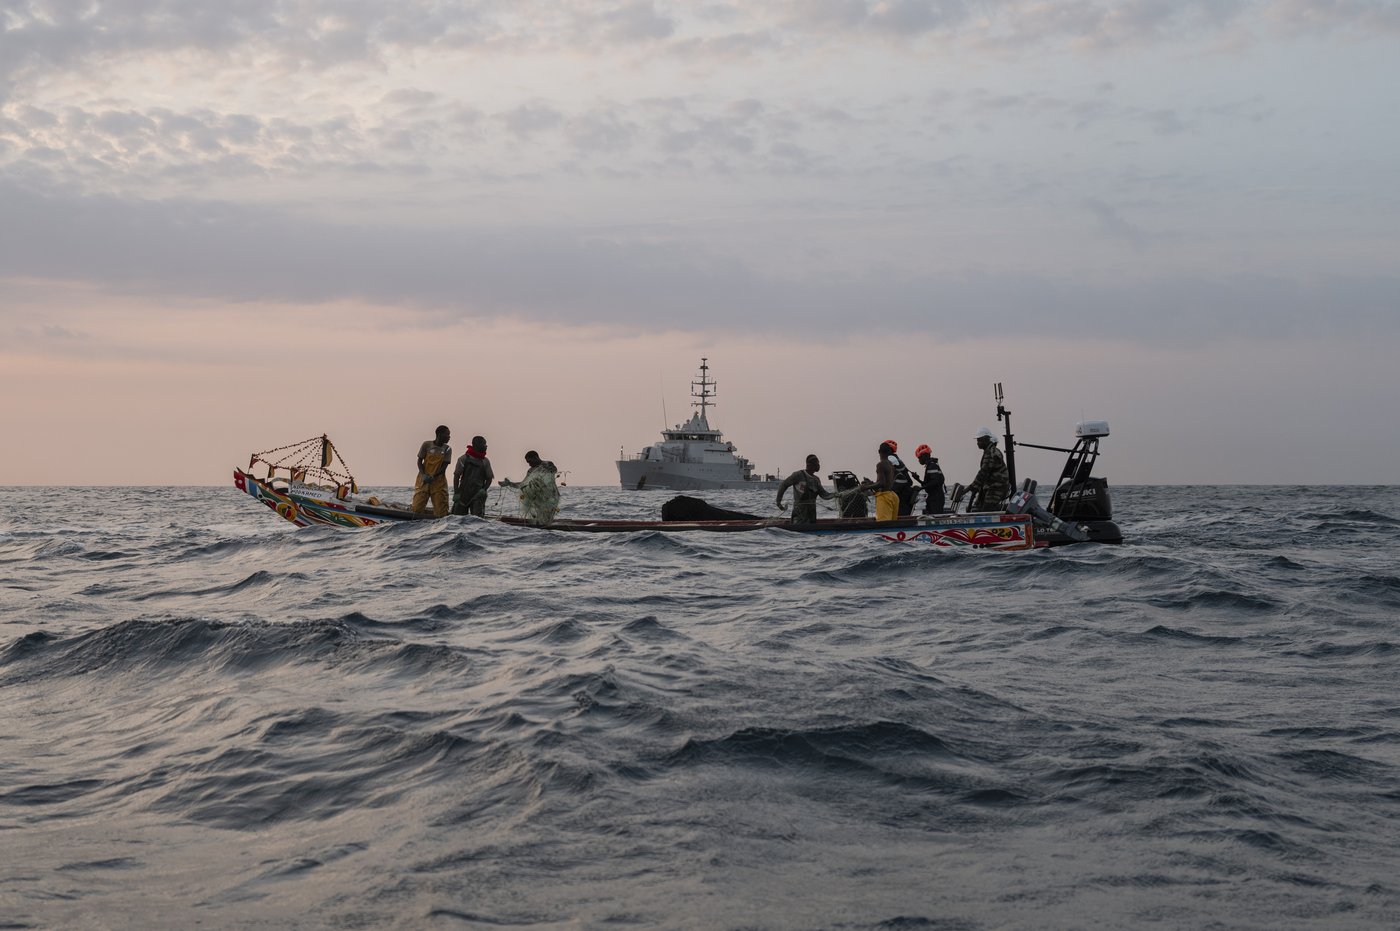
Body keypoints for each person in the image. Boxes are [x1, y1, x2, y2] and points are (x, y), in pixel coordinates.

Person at [502, 450, 560, 525]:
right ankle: (542, 528)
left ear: (536, 457)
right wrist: (509, 484)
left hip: (552, 495)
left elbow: (554, 470)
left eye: (530, 461)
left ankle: (547, 527)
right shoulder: (531, 470)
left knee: (548, 517)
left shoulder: (547, 464)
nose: (529, 464)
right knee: (540, 518)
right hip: (539, 498)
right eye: (528, 462)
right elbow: (523, 484)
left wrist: (542, 470)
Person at [776, 454, 834, 525]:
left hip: (812, 514)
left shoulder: (816, 479)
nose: (819, 465)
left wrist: (836, 495)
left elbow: (824, 495)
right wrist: (778, 501)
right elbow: (783, 485)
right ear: (810, 465)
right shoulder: (798, 475)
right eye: (817, 463)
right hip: (800, 513)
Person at [412, 425, 452, 517]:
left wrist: (433, 476)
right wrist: (423, 475)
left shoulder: (447, 449)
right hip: (423, 480)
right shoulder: (426, 445)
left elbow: (444, 467)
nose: (449, 437)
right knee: (417, 508)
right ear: (439, 434)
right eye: (447, 434)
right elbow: (419, 461)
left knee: (441, 511)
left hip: (439, 482)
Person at [967, 426, 1010, 511]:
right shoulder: (988, 451)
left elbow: (984, 471)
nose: (977, 443)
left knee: (987, 508)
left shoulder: (992, 453)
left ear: (986, 439)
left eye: (979, 440)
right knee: (979, 507)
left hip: (997, 486)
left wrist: (971, 486)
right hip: (990, 485)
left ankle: (1008, 509)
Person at [451, 435, 494, 517]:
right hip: (463, 494)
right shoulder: (463, 459)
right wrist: (456, 493)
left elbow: (489, 478)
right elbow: (456, 476)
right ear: (477, 445)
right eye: (484, 444)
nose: (486, 446)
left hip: (478, 494)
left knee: (477, 518)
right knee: (457, 518)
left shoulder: (485, 461)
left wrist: (484, 490)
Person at [859, 442, 900, 521]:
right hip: (892, 496)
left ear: (879, 451)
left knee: (883, 523)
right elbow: (886, 483)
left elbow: (881, 483)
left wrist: (866, 487)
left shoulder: (880, 464)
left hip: (884, 497)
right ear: (890, 452)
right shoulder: (890, 464)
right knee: (892, 524)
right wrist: (871, 483)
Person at [885, 439, 917, 516]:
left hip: (901, 493)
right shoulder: (898, 459)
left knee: (900, 516)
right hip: (905, 492)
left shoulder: (890, 459)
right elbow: (910, 481)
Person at [914, 444, 946, 514]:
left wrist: (921, 488)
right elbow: (929, 484)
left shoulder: (932, 466)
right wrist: (918, 479)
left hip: (936, 499)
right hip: (933, 497)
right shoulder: (931, 465)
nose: (919, 460)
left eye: (919, 458)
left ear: (924, 456)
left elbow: (935, 482)